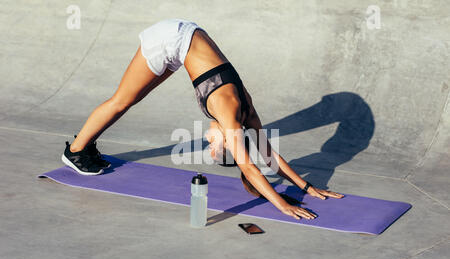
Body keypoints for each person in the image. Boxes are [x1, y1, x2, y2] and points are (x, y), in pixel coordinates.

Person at [61, 18, 344, 220]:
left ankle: (85, 146)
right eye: (215, 148)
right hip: (171, 39)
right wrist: (282, 205)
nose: (208, 144)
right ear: (228, 141)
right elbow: (254, 168)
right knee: (122, 100)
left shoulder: (248, 114)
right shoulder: (230, 117)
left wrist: (306, 187)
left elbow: (269, 156)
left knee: (131, 99)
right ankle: (75, 151)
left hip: (185, 39)